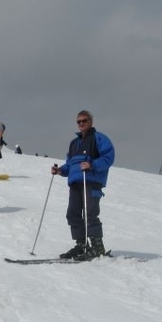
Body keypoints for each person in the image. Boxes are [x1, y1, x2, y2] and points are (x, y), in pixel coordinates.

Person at [51, 110, 115, 260]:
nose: (81, 124)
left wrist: (91, 164)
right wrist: (60, 170)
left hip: (91, 180)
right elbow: (70, 165)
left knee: (90, 213)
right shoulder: (74, 143)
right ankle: (82, 245)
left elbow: (108, 157)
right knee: (72, 213)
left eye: (84, 121)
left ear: (91, 121)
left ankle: (98, 247)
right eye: (79, 121)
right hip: (75, 182)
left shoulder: (99, 139)